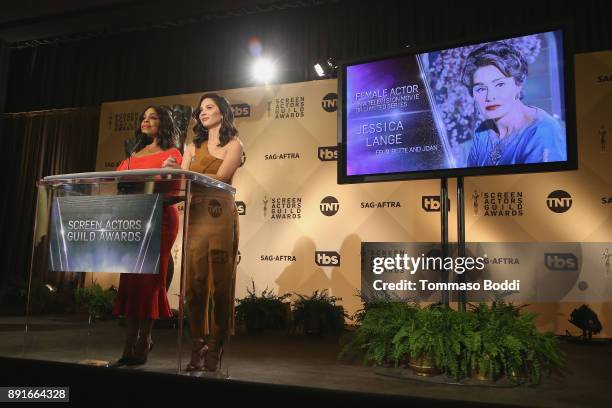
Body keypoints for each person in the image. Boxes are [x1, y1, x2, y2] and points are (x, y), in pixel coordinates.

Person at [164, 93, 242, 372]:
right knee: (194, 287)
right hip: (195, 218)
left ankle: (217, 343)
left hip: (220, 216)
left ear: (223, 111)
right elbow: (183, 183)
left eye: (209, 107)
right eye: (200, 110)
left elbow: (221, 178)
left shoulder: (234, 144)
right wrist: (174, 170)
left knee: (221, 286)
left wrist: (188, 177)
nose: (203, 112)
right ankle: (198, 345)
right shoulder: (191, 147)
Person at [111, 105, 183, 366]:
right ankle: (129, 338)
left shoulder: (173, 153)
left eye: (152, 117)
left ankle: (145, 337)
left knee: (150, 278)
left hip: (161, 218)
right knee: (131, 278)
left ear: (163, 123)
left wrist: (168, 171)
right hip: (133, 217)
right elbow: (119, 183)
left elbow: (175, 188)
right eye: (143, 117)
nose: (146, 121)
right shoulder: (132, 155)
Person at [461, 41, 566, 167]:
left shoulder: (543, 130)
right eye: (480, 89)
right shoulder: (482, 132)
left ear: (518, 84)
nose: (489, 97)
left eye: (499, 84)